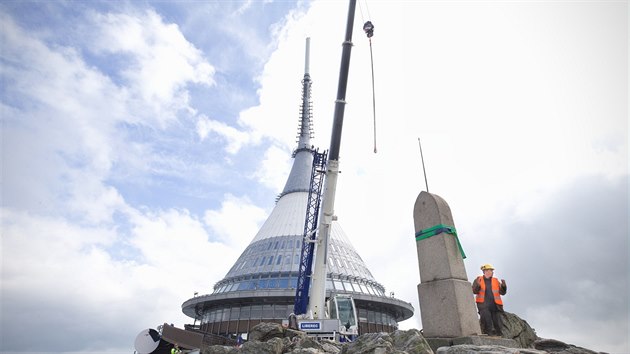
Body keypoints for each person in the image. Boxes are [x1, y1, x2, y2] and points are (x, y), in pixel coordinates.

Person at [472, 263, 507, 336]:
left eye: (490, 271)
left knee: (497, 323)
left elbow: (502, 292)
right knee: (486, 321)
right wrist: (477, 285)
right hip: (483, 305)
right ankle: (488, 336)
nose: (489, 272)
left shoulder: (496, 281)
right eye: (487, 270)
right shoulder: (478, 279)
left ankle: (499, 336)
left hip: (495, 305)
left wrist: (504, 287)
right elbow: (474, 291)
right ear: (484, 272)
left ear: (492, 272)